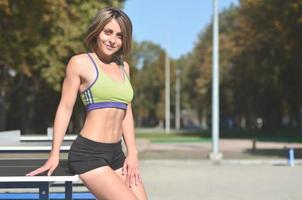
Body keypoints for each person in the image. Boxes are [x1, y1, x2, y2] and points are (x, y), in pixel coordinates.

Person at [27, 7, 148, 200]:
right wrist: (54, 153)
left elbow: (127, 113)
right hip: (88, 154)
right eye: (108, 32)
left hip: (117, 154)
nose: (112, 40)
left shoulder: (124, 67)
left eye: (119, 35)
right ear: (97, 31)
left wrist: (132, 153)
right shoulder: (80, 63)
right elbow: (65, 108)